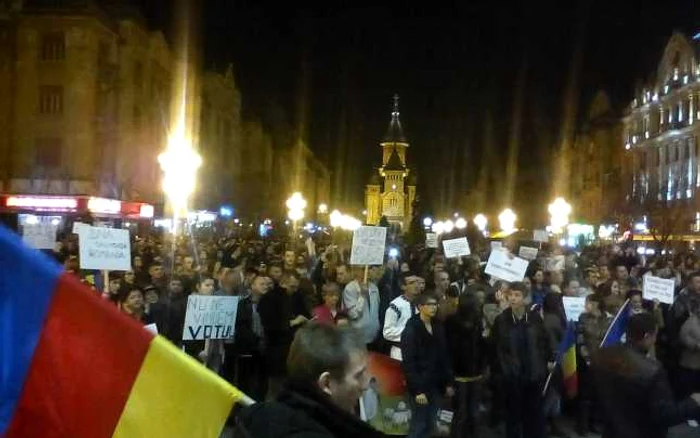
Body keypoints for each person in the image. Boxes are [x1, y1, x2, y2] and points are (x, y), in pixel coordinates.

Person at [238, 323, 385, 438]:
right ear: (326, 383)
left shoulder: (267, 415)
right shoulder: (305, 431)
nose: (366, 384)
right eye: (358, 376)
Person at [593, 313, 700, 438]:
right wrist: (693, 402)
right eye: (655, 336)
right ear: (647, 336)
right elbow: (664, 415)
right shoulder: (653, 370)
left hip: (612, 430)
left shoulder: (603, 356)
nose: (655, 340)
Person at [492, 282, 554, 438]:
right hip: (512, 377)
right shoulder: (501, 320)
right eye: (511, 295)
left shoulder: (534, 319)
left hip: (533, 375)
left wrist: (549, 360)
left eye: (517, 295)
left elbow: (544, 342)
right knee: (513, 416)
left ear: (525, 298)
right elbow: (496, 349)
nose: (513, 298)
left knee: (534, 415)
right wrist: (503, 372)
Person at [401, 293, 454, 438]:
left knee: (432, 423)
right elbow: (409, 363)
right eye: (429, 304)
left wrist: (448, 382)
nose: (433, 307)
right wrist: (418, 390)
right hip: (421, 384)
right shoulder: (411, 330)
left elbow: (444, 355)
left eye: (435, 304)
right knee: (419, 424)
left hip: (437, 384)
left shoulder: (438, 326)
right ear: (420, 307)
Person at [445, 293, 487, 438]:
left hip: (474, 372)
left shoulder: (477, 321)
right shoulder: (452, 322)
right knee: (462, 411)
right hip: (459, 374)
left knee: (472, 411)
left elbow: (481, 346)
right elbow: (449, 351)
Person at [384, 274, 422, 360]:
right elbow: (387, 332)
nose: (416, 285)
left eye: (417, 282)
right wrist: (409, 332)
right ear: (403, 287)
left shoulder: (422, 303)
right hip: (400, 352)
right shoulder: (395, 305)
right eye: (412, 283)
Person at [343, 266, 381, 346]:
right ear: (356, 270)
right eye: (364, 269)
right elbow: (353, 314)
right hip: (359, 337)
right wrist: (362, 296)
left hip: (374, 335)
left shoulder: (374, 287)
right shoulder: (350, 288)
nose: (368, 271)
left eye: (370, 268)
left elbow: (376, 311)